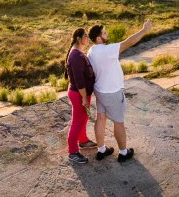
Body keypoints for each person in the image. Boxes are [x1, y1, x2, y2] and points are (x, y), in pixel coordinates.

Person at [87, 20, 152, 162]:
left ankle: (101, 150)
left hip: (100, 90)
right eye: (104, 32)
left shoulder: (92, 50)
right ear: (98, 38)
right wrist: (144, 30)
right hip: (112, 92)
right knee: (118, 122)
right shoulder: (107, 50)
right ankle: (123, 153)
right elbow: (128, 42)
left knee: (100, 118)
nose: (107, 34)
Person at [65, 28, 97, 164]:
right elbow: (79, 81)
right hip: (79, 94)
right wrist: (84, 98)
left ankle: (83, 140)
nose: (87, 39)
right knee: (77, 122)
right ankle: (72, 152)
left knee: (83, 118)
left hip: (82, 94)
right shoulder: (76, 56)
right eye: (85, 36)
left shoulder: (77, 52)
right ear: (78, 38)